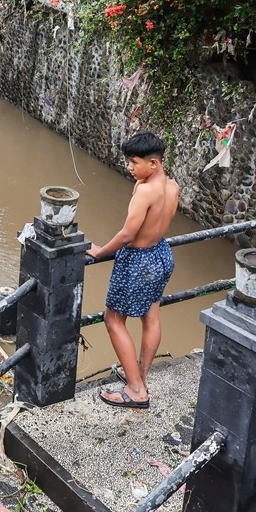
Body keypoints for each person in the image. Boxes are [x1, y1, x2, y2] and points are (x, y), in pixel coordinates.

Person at [86, 131, 179, 409]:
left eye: (133, 162)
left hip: (138, 260)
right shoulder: (172, 186)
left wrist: (100, 251)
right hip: (160, 254)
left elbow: (128, 234)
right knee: (151, 314)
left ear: (153, 163)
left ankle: (137, 390)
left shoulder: (145, 190)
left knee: (113, 319)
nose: (129, 168)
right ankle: (139, 373)